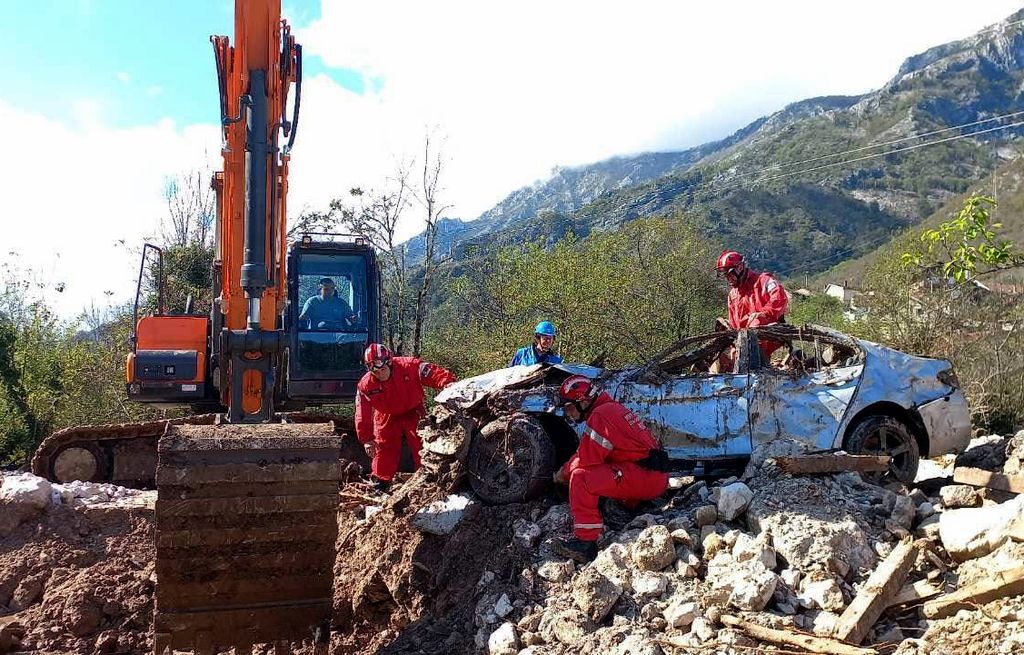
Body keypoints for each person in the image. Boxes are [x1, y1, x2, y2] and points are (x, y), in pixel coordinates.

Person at [551, 376, 670, 562]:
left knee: (581, 477)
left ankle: (585, 542)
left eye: (569, 408)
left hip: (646, 477)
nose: (569, 414)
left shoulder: (600, 415)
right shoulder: (612, 409)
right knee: (602, 470)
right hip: (651, 474)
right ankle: (627, 507)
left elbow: (585, 459)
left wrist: (562, 474)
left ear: (583, 401)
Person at [355, 343, 457, 491]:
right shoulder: (365, 385)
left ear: (389, 361)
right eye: (374, 371)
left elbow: (434, 373)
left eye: (382, 369)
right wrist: (367, 439)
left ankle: (427, 477)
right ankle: (380, 483)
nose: (379, 374)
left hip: (413, 410)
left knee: (422, 443)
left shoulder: (410, 366)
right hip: (386, 415)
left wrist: (448, 384)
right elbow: (361, 413)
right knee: (384, 448)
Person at [715, 250, 789, 362]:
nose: (728, 279)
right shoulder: (733, 295)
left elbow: (779, 299)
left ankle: (757, 363)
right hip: (744, 341)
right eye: (725, 276)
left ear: (739, 268)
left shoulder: (764, 281)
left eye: (729, 274)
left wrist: (764, 313)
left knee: (756, 322)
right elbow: (734, 324)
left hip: (769, 334)